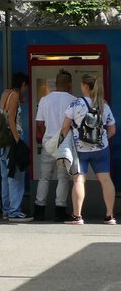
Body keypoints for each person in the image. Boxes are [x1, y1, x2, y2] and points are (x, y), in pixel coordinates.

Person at [60, 73, 117, 225]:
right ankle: (110, 216)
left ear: (85, 86)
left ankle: (77, 216)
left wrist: (62, 143)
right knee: (105, 179)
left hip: (80, 149)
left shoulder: (76, 104)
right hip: (101, 149)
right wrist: (100, 140)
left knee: (79, 180)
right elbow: (112, 130)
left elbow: (65, 127)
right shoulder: (103, 104)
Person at [32, 70, 76, 221]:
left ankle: (39, 210)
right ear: (70, 84)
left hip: (48, 144)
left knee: (44, 177)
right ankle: (60, 211)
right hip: (65, 145)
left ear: (56, 84)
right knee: (63, 178)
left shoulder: (45, 100)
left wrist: (48, 138)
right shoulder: (74, 100)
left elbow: (39, 124)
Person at [0, 72, 30, 221]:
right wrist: (18, 141)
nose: (26, 89)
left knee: (5, 176)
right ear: (22, 83)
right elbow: (11, 119)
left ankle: (6, 209)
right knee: (16, 176)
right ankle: (15, 211)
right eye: (25, 86)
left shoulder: (5, 93)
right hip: (12, 139)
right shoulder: (15, 96)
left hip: (2, 140)